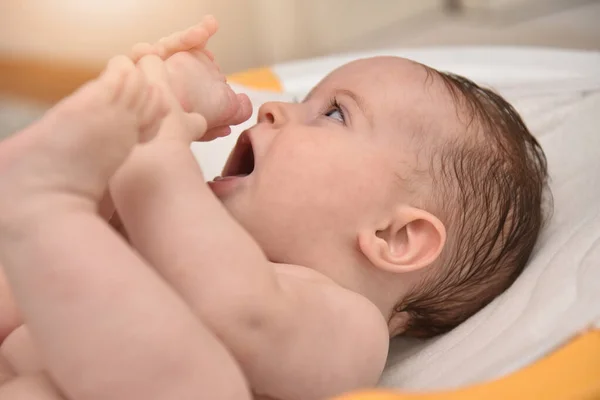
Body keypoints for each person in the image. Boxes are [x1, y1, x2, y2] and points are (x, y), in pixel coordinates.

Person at [0, 15, 549, 400]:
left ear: (394, 237)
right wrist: (130, 126)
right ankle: (41, 202)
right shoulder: (165, 235)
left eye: (334, 115)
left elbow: (238, 310)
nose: (276, 110)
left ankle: (41, 206)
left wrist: (155, 150)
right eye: (302, 98)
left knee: (208, 386)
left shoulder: (350, 323)